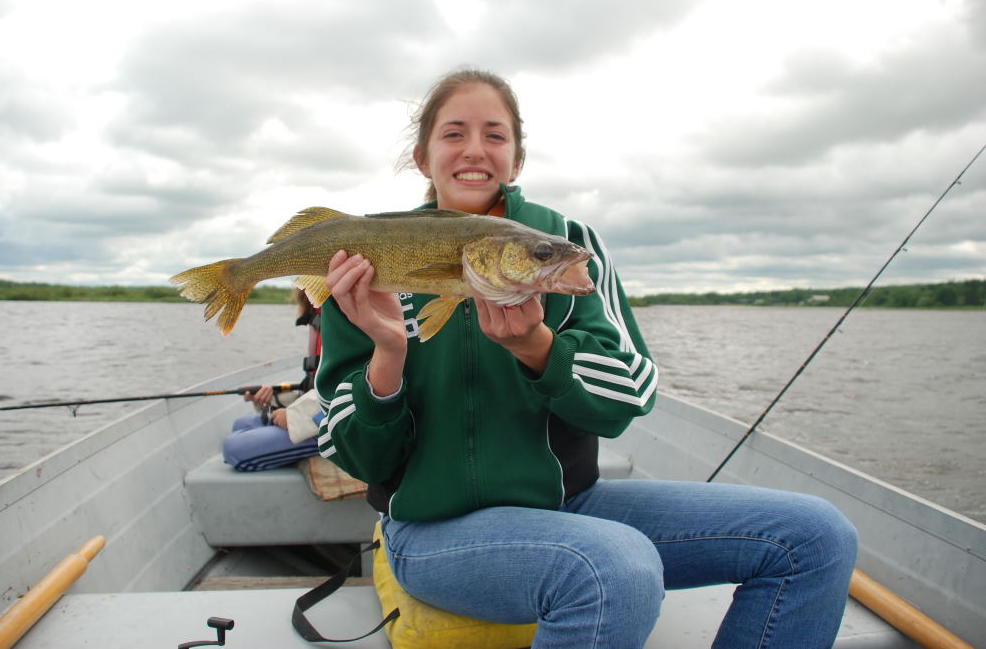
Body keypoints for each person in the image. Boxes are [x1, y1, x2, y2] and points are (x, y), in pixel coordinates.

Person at [314, 69, 858, 648]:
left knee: (817, 536)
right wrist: (390, 353)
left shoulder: (566, 244)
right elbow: (360, 456)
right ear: (422, 158)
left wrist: (538, 348)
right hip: (430, 530)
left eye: (495, 136)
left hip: (570, 504)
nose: (475, 150)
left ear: (517, 159)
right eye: (454, 134)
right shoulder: (364, 257)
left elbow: (628, 394)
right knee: (611, 566)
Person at [222, 290, 324, 471]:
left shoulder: (351, 308)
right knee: (242, 424)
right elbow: (322, 381)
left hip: (340, 425)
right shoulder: (322, 307)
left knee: (233, 449)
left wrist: (295, 417)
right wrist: (278, 399)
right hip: (323, 407)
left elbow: (358, 385)